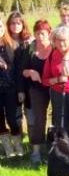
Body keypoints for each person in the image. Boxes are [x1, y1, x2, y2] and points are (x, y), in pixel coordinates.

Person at [22, 20, 53, 164]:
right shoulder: (29, 49)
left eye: (43, 33)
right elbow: (22, 70)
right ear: (34, 33)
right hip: (35, 89)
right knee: (38, 119)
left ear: (49, 33)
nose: (40, 36)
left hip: (54, 86)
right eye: (38, 33)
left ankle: (57, 149)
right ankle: (36, 151)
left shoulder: (55, 48)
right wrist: (31, 71)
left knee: (59, 118)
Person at [6, 11, 33, 143]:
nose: (15, 25)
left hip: (27, 82)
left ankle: (32, 137)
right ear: (8, 25)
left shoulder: (29, 41)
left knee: (30, 113)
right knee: (15, 115)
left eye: (18, 23)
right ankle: (18, 138)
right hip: (11, 83)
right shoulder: (4, 41)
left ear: (23, 24)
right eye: (12, 23)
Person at [0, 18, 24, 158]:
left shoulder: (13, 45)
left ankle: (18, 145)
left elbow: (19, 70)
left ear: (3, 27)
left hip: (11, 88)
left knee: (13, 119)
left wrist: (20, 90)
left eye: (0, 26)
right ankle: (7, 148)